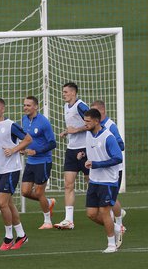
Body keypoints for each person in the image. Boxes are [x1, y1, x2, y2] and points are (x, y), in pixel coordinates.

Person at [0, 98, 33, 251]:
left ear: (3, 109)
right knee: (8, 203)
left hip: (11, 169)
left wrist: (14, 149)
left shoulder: (11, 126)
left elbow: (28, 139)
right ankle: (22, 235)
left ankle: (8, 237)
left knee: (1, 202)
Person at [79, 109, 123, 253]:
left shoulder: (108, 137)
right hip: (94, 180)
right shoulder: (88, 134)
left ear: (97, 121)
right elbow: (94, 150)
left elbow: (118, 158)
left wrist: (96, 164)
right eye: (84, 121)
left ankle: (111, 244)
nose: (85, 124)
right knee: (91, 214)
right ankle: (117, 228)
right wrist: (83, 154)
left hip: (108, 181)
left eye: (88, 121)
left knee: (105, 212)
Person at [90, 100, 127, 246]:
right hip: (101, 171)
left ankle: (118, 225)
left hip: (114, 170)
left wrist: (107, 148)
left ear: (101, 112)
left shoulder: (110, 126)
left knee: (109, 202)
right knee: (111, 200)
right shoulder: (92, 130)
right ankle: (118, 223)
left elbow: (121, 145)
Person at [54, 83, 90, 230]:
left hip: (85, 149)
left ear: (73, 93)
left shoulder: (81, 106)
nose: (63, 94)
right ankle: (69, 220)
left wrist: (75, 130)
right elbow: (72, 127)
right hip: (71, 150)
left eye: (66, 92)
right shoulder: (66, 107)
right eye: (63, 92)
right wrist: (66, 132)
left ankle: (112, 212)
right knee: (68, 184)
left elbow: (92, 123)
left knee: (93, 183)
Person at [19, 96, 58, 229]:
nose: (25, 107)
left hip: (43, 161)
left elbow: (53, 143)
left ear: (36, 107)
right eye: (24, 105)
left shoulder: (43, 122)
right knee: (25, 192)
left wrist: (37, 152)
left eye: (28, 105)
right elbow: (26, 138)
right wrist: (22, 148)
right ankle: (48, 202)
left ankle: (47, 221)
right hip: (31, 162)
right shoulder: (24, 120)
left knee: (39, 192)